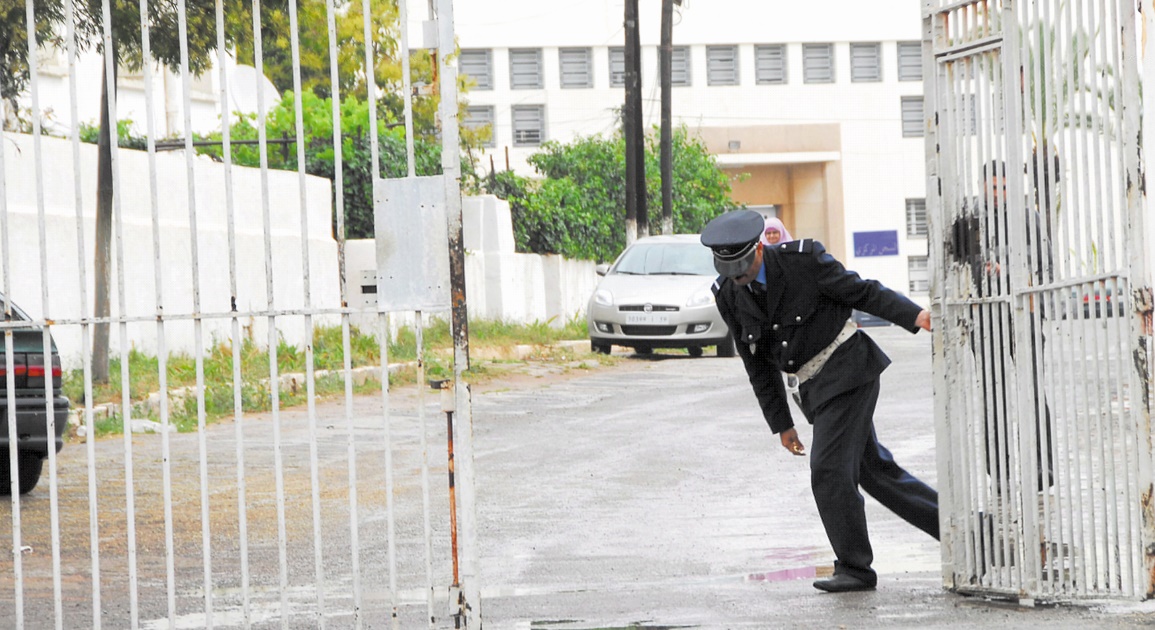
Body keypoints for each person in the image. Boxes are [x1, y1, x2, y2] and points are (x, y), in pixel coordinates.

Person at [701, 209, 939, 593]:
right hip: (814, 388)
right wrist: (781, 424)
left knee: (828, 470)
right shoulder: (728, 294)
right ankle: (963, 531)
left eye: (743, 266)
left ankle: (855, 569)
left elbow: (862, 291)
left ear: (759, 248)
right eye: (729, 269)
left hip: (849, 369)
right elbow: (757, 366)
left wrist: (915, 315)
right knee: (875, 473)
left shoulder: (803, 261)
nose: (738, 276)